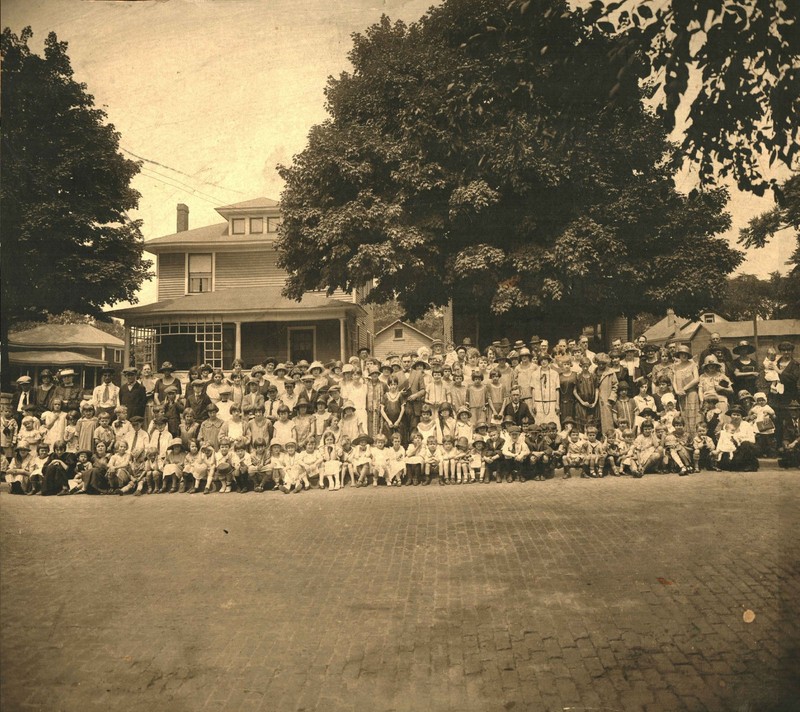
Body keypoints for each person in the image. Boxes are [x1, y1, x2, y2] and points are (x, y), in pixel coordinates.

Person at [715, 405, 759, 471]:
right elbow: (723, 439)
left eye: (738, 415)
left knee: (745, 444)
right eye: (734, 414)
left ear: (741, 417)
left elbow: (753, 440)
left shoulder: (746, 425)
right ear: (730, 416)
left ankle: (749, 465)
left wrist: (740, 440)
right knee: (725, 464)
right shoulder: (727, 426)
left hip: (744, 448)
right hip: (731, 449)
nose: (736, 417)